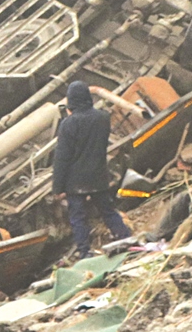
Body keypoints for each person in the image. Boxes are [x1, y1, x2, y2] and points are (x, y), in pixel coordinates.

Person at [52, 80, 132, 259]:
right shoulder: (102, 118)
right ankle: (126, 239)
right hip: (98, 175)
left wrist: (58, 187)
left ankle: (85, 252)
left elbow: (62, 158)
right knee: (108, 211)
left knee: (78, 217)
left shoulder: (68, 124)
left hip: (75, 181)